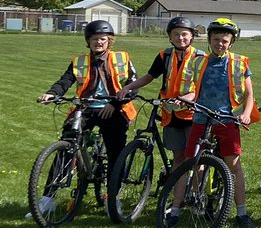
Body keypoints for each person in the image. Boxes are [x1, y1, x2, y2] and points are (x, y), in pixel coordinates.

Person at [37, 19, 137, 209]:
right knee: (67, 146)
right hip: (85, 108)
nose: (98, 42)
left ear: (109, 41)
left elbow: (133, 86)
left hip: (114, 109)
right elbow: (64, 81)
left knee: (115, 152)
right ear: (88, 41)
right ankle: (48, 200)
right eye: (94, 39)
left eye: (103, 39)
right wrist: (52, 94)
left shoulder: (122, 59)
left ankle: (113, 200)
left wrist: (115, 103)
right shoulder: (79, 61)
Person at [173, 17, 259, 228]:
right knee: (194, 162)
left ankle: (242, 213)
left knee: (233, 165)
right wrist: (183, 100)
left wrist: (246, 113)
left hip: (227, 120)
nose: (220, 43)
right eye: (216, 39)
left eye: (224, 40)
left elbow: (249, 94)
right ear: (209, 40)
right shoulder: (198, 61)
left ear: (231, 42)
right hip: (201, 119)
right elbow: (193, 90)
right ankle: (196, 202)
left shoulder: (239, 62)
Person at [116, 16, 202, 169]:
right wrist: (128, 87)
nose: (180, 38)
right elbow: (149, 76)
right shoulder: (165, 56)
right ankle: (176, 185)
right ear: (170, 37)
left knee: (193, 157)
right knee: (178, 156)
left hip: (192, 114)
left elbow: (205, 85)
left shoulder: (200, 57)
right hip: (171, 112)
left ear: (191, 36)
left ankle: (195, 184)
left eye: (184, 34)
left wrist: (190, 96)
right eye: (176, 34)